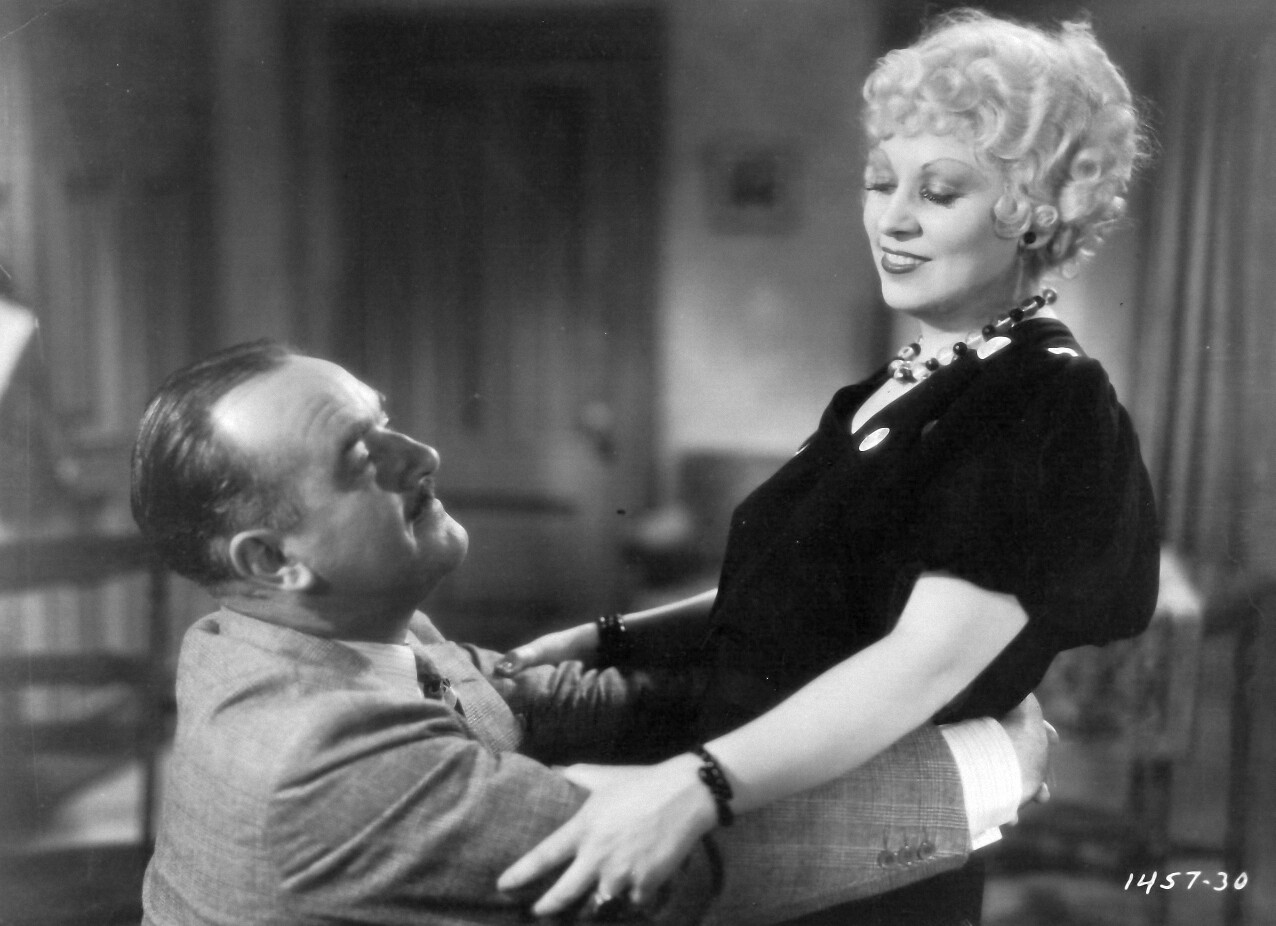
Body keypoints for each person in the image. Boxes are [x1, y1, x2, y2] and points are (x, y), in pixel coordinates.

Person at [495, 9, 1159, 926]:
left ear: (1035, 212)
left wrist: (694, 786)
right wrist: (610, 638)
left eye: (940, 192)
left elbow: (920, 665)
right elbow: (789, 588)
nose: (893, 219)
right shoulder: (891, 386)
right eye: (880, 182)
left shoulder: (1047, 397)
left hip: (862, 860)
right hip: (760, 805)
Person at [133, 341, 1053, 926]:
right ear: (272, 561)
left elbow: (543, 704)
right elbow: (680, 870)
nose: (424, 456)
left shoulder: (296, 635)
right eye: (362, 457)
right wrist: (987, 765)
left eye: (388, 423)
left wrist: (843, 696)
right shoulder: (316, 760)